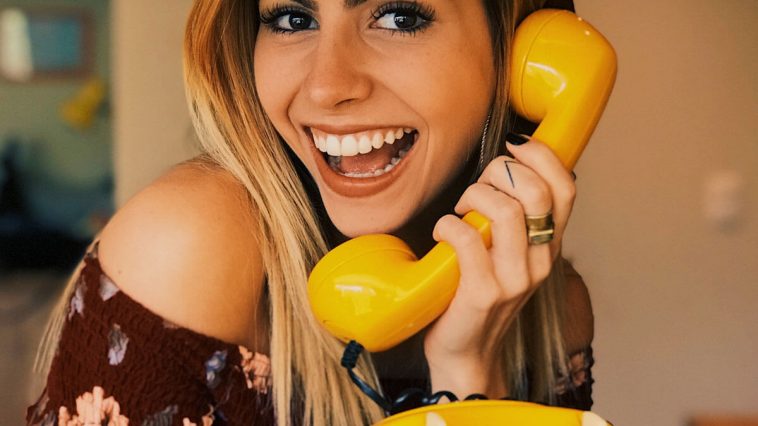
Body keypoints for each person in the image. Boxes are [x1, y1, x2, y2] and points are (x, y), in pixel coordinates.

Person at [27, 0, 595, 425]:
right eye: (292, 18)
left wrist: (467, 375)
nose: (327, 87)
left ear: (518, 53)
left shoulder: (551, 315)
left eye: (399, 17)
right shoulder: (188, 246)